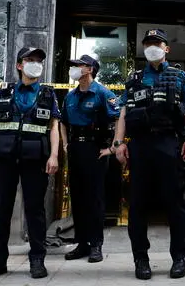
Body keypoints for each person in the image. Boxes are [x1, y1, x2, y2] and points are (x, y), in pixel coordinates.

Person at [112, 28, 185, 280]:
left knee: (176, 204)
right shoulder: (135, 78)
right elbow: (123, 114)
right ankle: (141, 258)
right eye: (148, 43)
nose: (153, 47)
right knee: (137, 204)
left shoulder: (179, 76)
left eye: (157, 43)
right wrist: (119, 143)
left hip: (169, 144)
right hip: (140, 146)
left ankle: (180, 257)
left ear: (166, 48)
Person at [0, 47, 61, 280]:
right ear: (19, 65)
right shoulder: (5, 91)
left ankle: (37, 260)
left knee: (35, 210)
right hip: (4, 158)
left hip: (35, 159)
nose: (35, 64)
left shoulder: (47, 93)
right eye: (30, 60)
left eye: (39, 61)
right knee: (2, 208)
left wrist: (54, 155)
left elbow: (54, 128)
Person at [60, 54, 120, 263]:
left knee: (94, 199)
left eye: (78, 65)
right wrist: (65, 143)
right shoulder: (70, 96)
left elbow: (119, 118)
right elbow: (63, 122)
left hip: (96, 149)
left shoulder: (103, 93)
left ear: (90, 69)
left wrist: (113, 148)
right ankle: (82, 243)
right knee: (78, 197)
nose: (74, 68)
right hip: (76, 148)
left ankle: (96, 244)